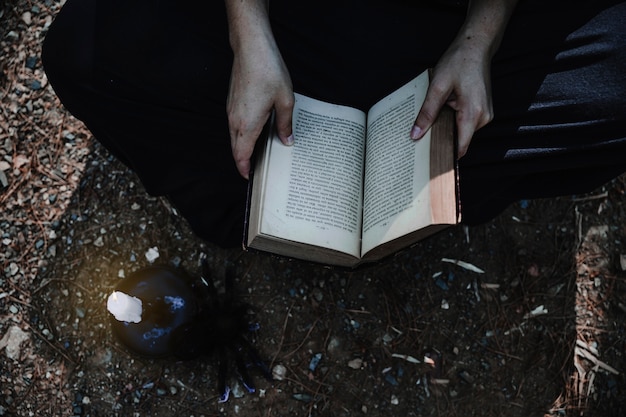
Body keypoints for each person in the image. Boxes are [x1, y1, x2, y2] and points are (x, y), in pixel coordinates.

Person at [42, 0, 626, 249]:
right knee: (87, 49)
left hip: (448, 24)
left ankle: (433, 191)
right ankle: (251, 205)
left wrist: (479, 39)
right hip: (299, 17)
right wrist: (249, 35)